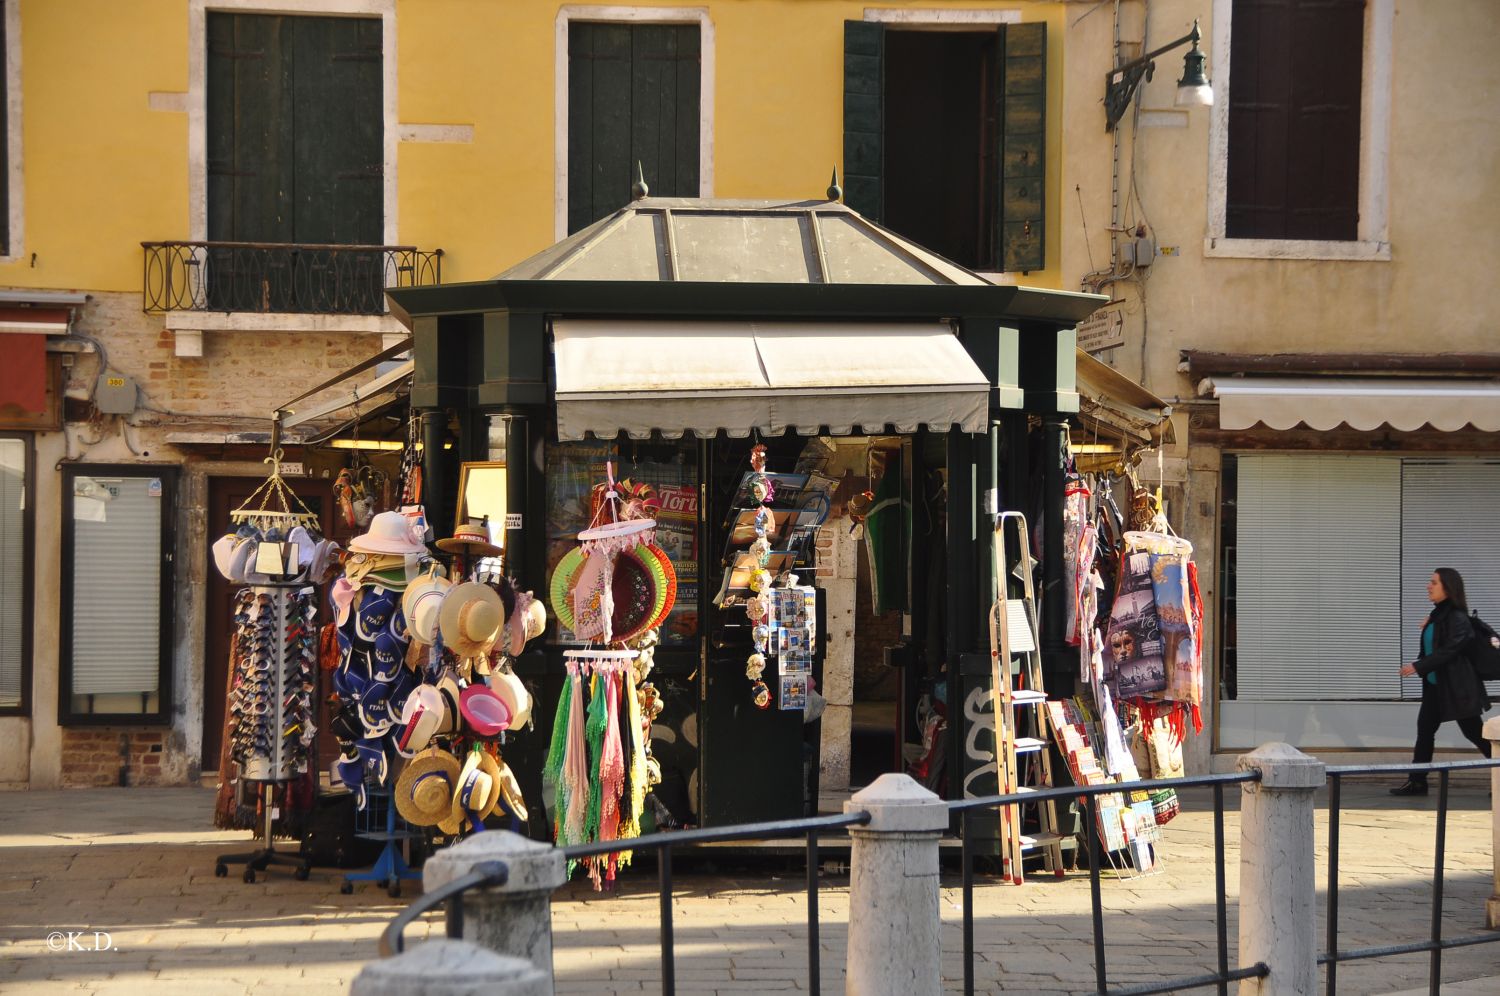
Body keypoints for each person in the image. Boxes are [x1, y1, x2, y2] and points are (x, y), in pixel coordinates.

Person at [1391, 568, 1493, 796]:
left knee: (1474, 733)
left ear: (1448, 587)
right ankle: (1417, 782)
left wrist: (1418, 666)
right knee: (1425, 731)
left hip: (1458, 688)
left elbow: (1450, 650)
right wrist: (1432, 623)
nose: (1428, 586)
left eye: (1433, 582)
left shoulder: (1456, 618)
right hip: (1436, 688)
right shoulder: (1439, 615)